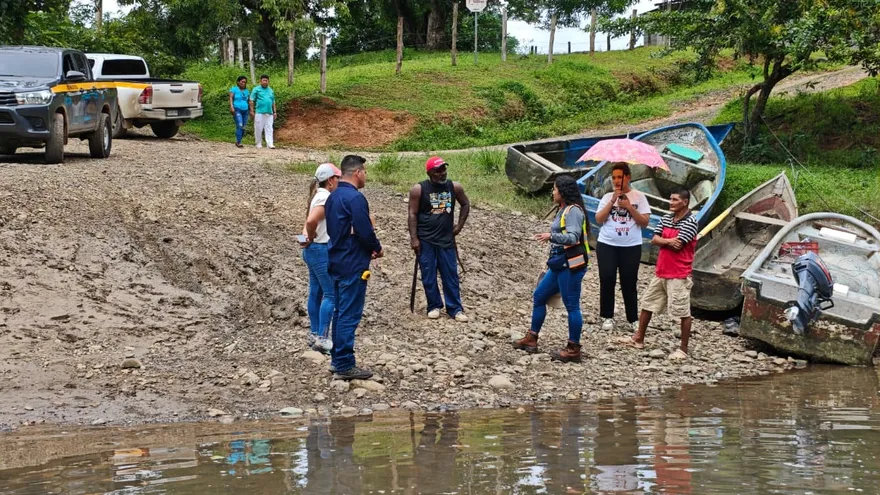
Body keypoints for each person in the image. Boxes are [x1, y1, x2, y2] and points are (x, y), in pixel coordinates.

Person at [513, 175, 590, 362]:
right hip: (559, 263)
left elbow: (573, 237)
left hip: (570, 265)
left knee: (572, 305)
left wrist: (551, 236)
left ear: (562, 192)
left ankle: (574, 348)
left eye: (554, 189)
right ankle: (532, 338)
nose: (552, 192)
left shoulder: (573, 211)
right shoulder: (563, 209)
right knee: (539, 296)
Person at [618, 188, 698, 360]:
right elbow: (655, 239)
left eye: (675, 199)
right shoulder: (666, 218)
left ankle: (683, 349)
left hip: (679, 274)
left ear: (685, 202)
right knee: (648, 303)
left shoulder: (691, 221)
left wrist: (663, 241)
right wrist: (667, 241)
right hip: (661, 271)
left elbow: (679, 244)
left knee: (682, 311)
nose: (671, 202)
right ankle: (638, 338)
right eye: (671, 199)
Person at [325, 154, 382, 380]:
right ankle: (345, 364)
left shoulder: (333, 196)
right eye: (365, 172)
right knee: (349, 314)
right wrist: (376, 247)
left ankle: (336, 359)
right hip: (353, 262)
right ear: (357, 172)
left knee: (339, 312)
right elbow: (364, 229)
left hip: (337, 259)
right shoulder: (355, 199)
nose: (366, 176)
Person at [407, 156, 471, 321]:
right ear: (430, 173)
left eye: (444, 169)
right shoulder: (419, 189)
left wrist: (459, 227)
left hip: (446, 239)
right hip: (425, 239)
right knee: (428, 275)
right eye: (438, 170)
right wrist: (414, 238)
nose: (442, 173)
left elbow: (465, 204)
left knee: (450, 274)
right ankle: (434, 305)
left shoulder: (454, 187)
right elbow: (412, 213)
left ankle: (455, 309)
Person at [594, 162, 651, 332]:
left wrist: (628, 207)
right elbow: (599, 219)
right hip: (607, 245)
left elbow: (645, 222)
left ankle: (633, 318)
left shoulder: (639, 197)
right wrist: (612, 201)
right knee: (607, 279)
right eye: (614, 178)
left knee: (629, 281)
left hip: (631, 246)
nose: (617, 181)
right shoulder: (607, 197)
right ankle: (607, 316)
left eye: (620, 177)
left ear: (628, 177)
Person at [300, 162, 342, 354]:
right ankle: (323, 337)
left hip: (313, 251)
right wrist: (311, 235)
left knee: (315, 292)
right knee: (330, 294)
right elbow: (311, 221)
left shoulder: (317, 195)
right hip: (321, 249)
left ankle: (315, 332)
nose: (339, 181)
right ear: (331, 181)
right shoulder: (326, 198)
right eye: (337, 178)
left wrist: (306, 238)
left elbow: (307, 220)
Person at [249, 74, 276, 149]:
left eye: (266, 80)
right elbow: (251, 100)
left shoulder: (270, 90)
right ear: (260, 81)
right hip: (259, 112)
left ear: (268, 81)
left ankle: (270, 144)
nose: (265, 82)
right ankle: (258, 143)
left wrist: (275, 112)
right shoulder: (256, 89)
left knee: (269, 128)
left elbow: (273, 101)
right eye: (263, 80)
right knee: (258, 128)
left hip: (269, 112)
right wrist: (252, 111)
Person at [228, 75, 250, 148]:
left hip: (245, 110)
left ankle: (239, 140)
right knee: (240, 125)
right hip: (237, 109)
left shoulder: (247, 91)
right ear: (238, 82)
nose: (243, 83)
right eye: (242, 82)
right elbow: (231, 98)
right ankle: (238, 142)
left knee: (243, 126)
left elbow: (249, 100)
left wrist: (251, 110)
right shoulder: (234, 89)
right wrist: (231, 107)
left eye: (245, 82)